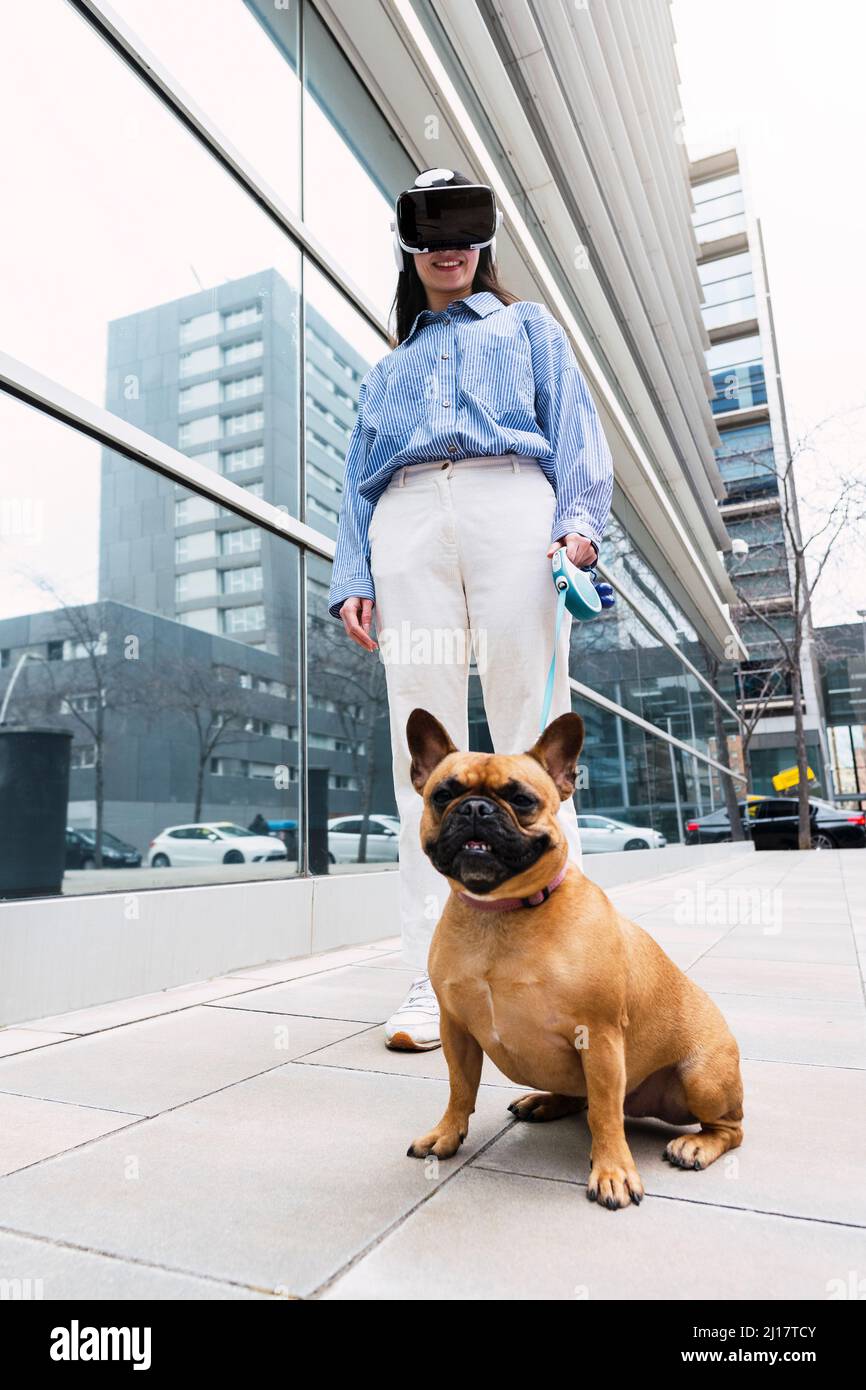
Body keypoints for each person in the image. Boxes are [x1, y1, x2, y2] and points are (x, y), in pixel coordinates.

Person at [327, 169, 613, 1051]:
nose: (449, 245)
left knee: (537, 726)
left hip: (512, 502)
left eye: (464, 227)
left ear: (484, 241)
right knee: (424, 745)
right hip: (407, 518)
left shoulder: (529, 327)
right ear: (409, 246)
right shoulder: (388, 368)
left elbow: (574, 429)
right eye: (429, 229)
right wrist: (352, 571)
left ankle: (571, 968)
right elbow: (355, 479)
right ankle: (431, 981)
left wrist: (578, 526)